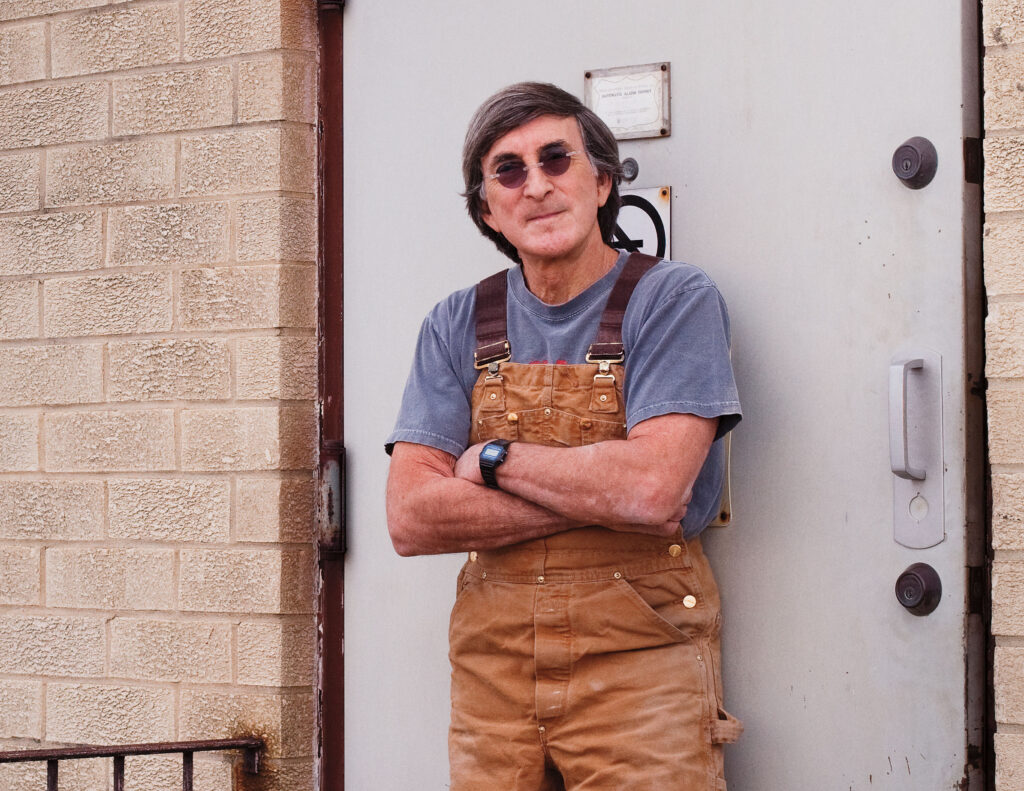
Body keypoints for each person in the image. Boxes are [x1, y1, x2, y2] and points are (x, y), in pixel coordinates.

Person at [385, 81, 743, 790]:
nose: (537, 185)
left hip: (640, 670)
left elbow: (653, 489)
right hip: (494, 675)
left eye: (557, 160)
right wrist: (600, 489)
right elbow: (410, 517)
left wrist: (491, 459)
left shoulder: (672, 300)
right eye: (509, 170)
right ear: (487, 206)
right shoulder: (455, 322)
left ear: (602, 180)